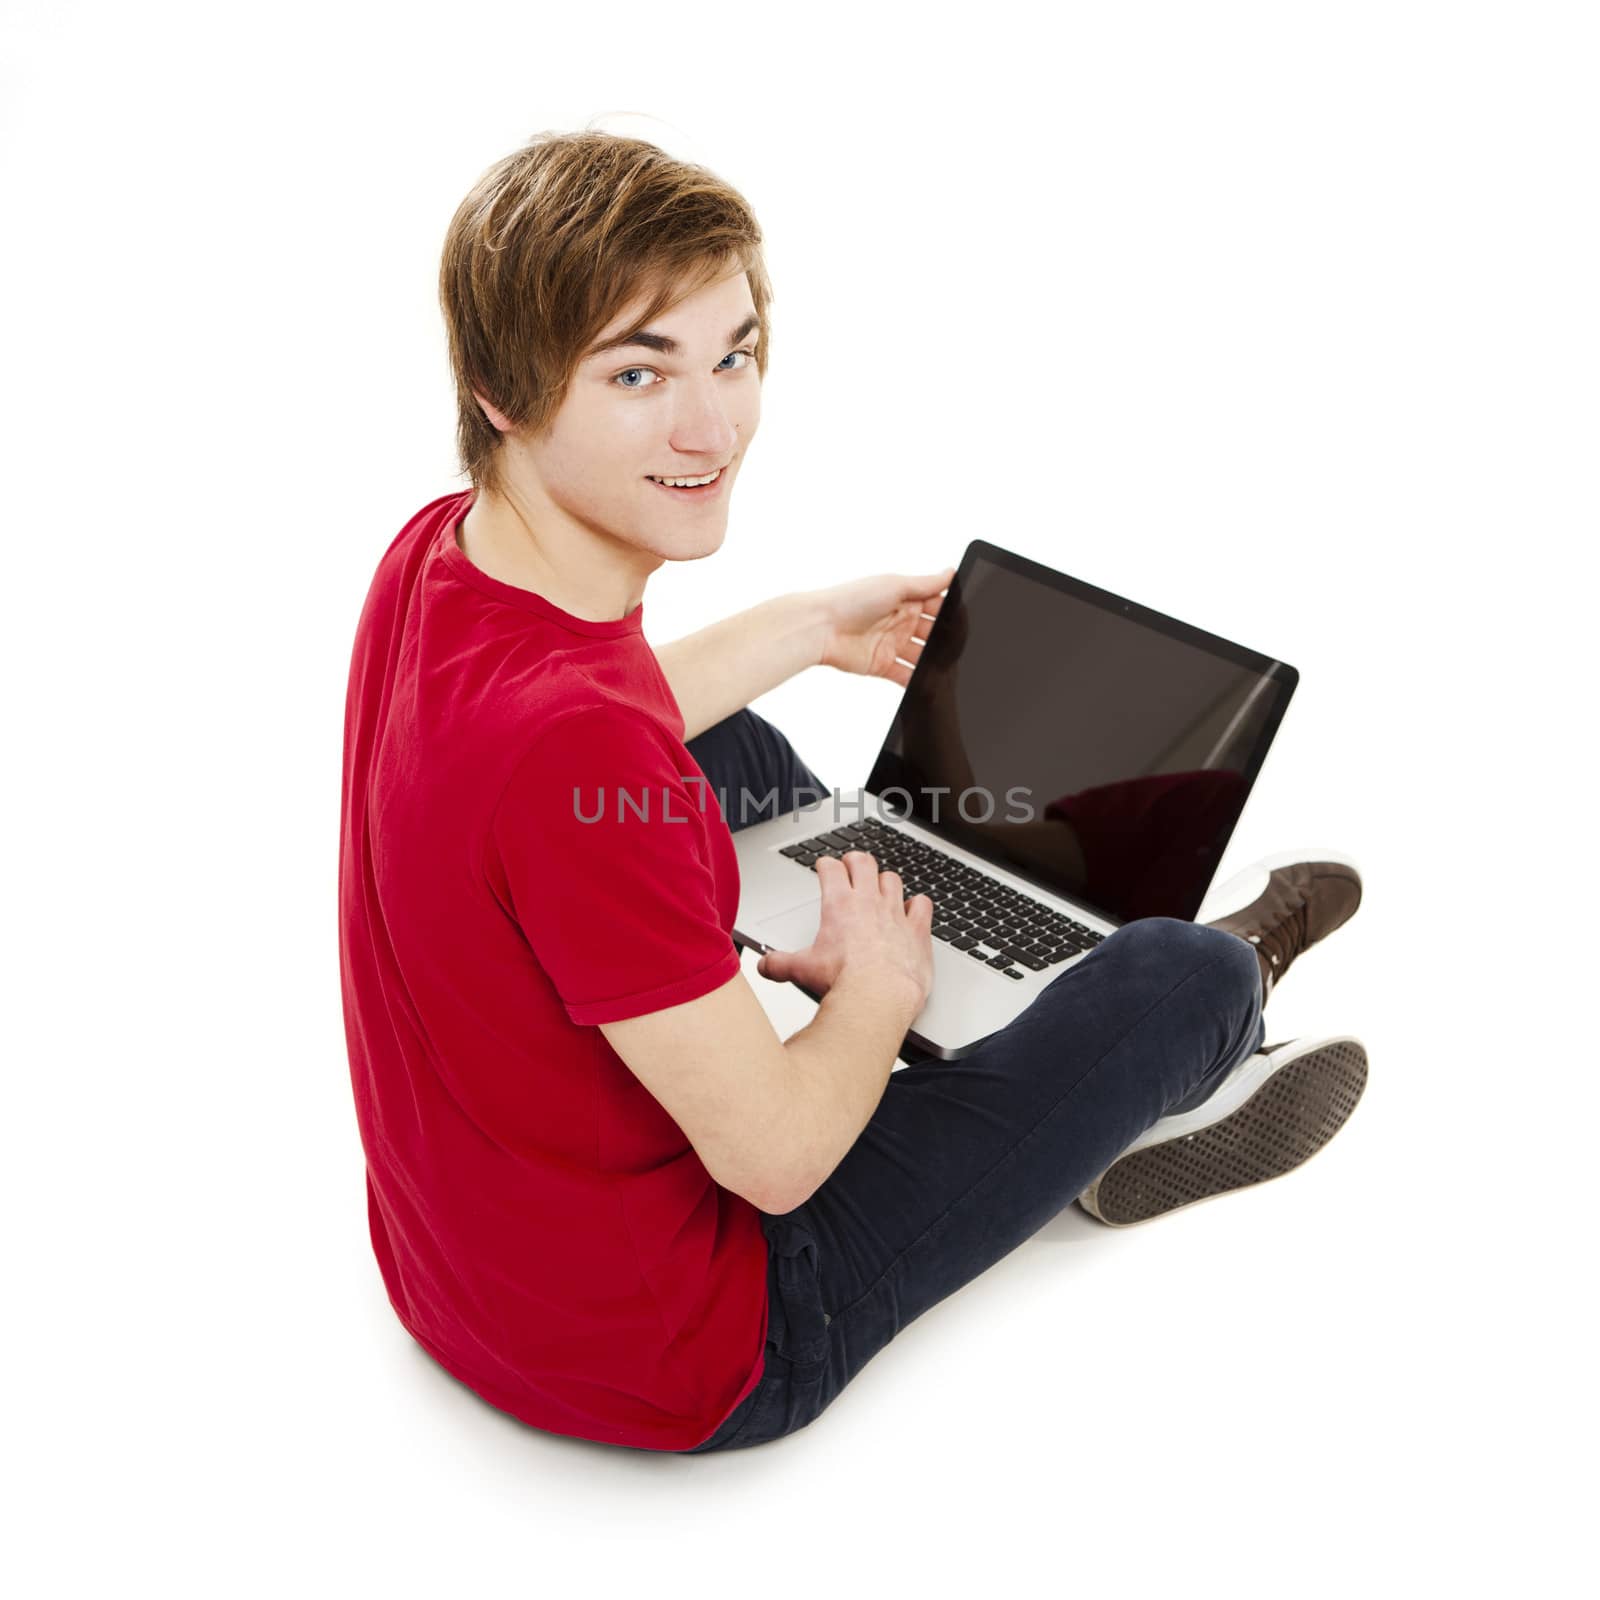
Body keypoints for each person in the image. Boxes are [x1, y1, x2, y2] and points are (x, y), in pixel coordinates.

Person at [337, 129, 1368, 1458]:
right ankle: (1217, 1023)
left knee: (734, 749)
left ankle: (948, 937)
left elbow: (578, 735)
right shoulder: (576, 754)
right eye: (639, 372)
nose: (712, 427)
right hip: (690, 1349)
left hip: (459, 1277)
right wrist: (878, 984)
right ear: (503, 389)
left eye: (735, 353)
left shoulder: (434, 558)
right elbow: (771, 1163)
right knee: (1176, 976)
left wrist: (811, 624)